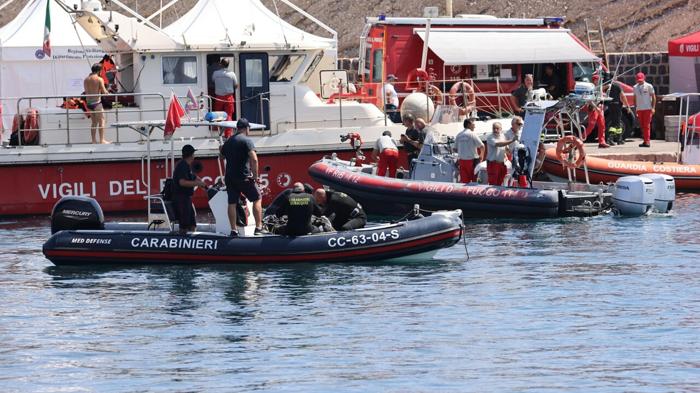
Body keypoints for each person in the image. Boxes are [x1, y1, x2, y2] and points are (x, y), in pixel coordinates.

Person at [220, 118, 267, 236]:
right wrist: (255, 176)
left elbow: (221, 156)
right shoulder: (246, 140)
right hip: (243, 176)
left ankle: (233, 230)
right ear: (247, 128)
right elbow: (254, 159)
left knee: (232, 202)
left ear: (237, 128)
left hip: (230, 177)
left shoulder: (229, 141)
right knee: (257, 198)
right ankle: (258, 228)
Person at [172, 144, 208, 234]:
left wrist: (205, 186)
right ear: (191, 154)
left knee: (192, 224)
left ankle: (192, 238)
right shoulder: (182, 166)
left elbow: (194, 177)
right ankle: (183, 240)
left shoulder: (187, 166)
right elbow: (182, 182)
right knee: (184, 225)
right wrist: (198, 183)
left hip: (186, 198)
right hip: (181, 198)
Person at [84, 63, 110, 144]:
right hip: (97, 103)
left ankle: (93, 140)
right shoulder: (99, 79)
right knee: (102, 121)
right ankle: (102, 140)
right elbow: (104, 92)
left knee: (94, 122)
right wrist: (107, 91)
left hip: (89, 103)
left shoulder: (86, 79)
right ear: (99, 71)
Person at [212, 58, 238, 137]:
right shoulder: (232, 74)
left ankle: (217, 132)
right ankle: (228, 134)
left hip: (218, 97)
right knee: (228, 115)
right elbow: (236, 85)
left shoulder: (215, 73)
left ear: (220, 64)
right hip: (229, 97)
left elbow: (213, 81)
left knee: (217, 115)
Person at [604, 74, 633, 145]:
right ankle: (610, 138)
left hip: (610, 106)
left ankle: (619, 138)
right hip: (617, 106)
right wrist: (628, 106)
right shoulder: (617, 86)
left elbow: (600, 90)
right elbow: (623, 96)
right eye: (616, 76)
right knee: (615, 123)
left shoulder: (607, 86)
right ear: (614, 77)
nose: (617, 77)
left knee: (617, 123)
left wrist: (606, 86)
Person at [454, 117, 484, 183]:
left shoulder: (459, 135)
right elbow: (482, 146)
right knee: (474, 181)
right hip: (472, 161)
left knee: (464, 181)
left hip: (462, 161)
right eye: (473, 124)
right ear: (468, 125)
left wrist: (462, 150)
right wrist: (481, 155)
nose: (474, 126)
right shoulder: (472, 134)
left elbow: (455, 149)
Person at [486, 122, 515, 186]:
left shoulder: (503, 136)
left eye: (497, 128)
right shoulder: (490, 137)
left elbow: (506, 149)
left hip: (501, 164)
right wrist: (512, 140)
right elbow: (498, 144)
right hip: (493, 164)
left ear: (501, 129)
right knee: (493, 184)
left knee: (499, 183)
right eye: (494, 128)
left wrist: (511, 151)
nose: (495, 130)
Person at [633, 72, 656, 147]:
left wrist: (653, 108)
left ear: (644, 79)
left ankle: (647, 142)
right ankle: (645, 140)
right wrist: (635, 108)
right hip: (639, 109)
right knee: (642, 126)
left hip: (647, 108)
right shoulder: (635, 87)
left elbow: (653, 97)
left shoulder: (649, 86)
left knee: (647, 125)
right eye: (638, 80)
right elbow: (634, 98)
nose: (640, 81)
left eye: (641, 80)